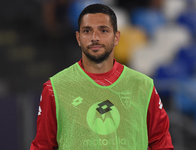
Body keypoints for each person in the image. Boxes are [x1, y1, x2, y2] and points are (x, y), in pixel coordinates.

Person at [30, 3, 174, 150]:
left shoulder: (143, 85)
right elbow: (42, 146)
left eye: (103, 31)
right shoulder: (55, 88)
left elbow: (162, 144)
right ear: (78, 38)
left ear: (116, 37)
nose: (95, 38)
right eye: (87, 31)